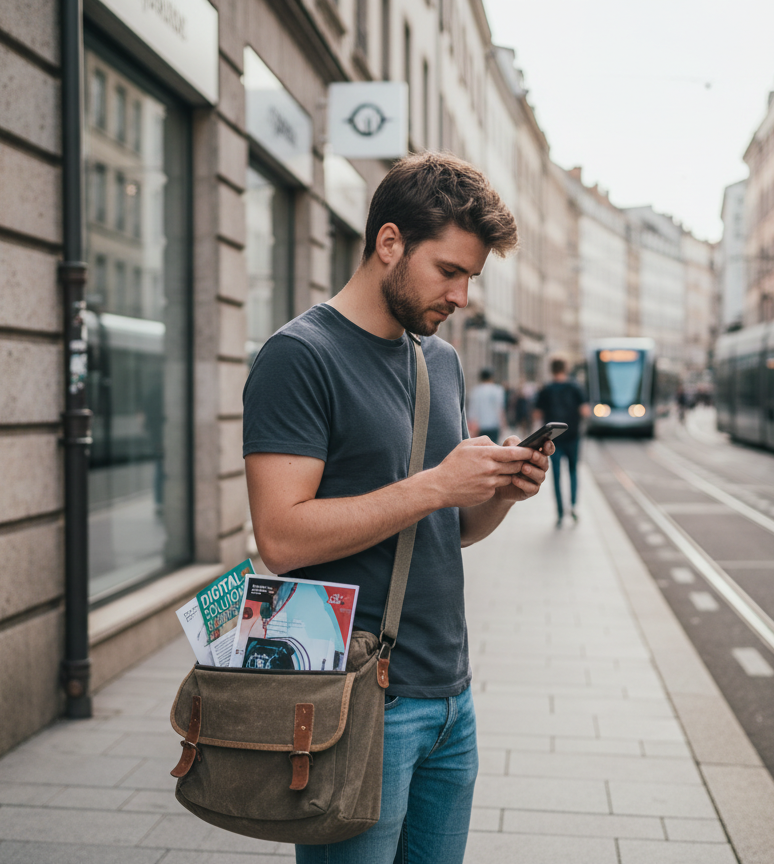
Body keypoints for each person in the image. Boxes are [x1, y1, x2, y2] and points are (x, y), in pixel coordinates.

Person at [242, 152, 551, 864]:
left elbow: (450, 531)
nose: (463, 296)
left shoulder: (435, 360)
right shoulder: (299, 356)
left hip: (451, 697)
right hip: (357, 701)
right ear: (389, 243)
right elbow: (282, 538)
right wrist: (439, 484)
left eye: (472, 277)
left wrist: (500, 492)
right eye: (449, 271)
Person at [534, 357, 590, 528]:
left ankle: (559, 512)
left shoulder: (546, 389)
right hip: (572, 436)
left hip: (553, 440)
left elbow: (536, 414)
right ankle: (572, 505)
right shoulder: (575, 387)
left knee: (556, 475)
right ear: (565, 369)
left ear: (551, 370)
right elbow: (586, 411)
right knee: (573, 471)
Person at [467, 367, 504, 442]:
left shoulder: (475, 391)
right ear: (491, 377)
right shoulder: (497, 390)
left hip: (480, 426)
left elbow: (472, 410)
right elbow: (500, 409)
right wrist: (502, 425)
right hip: (494, 425)